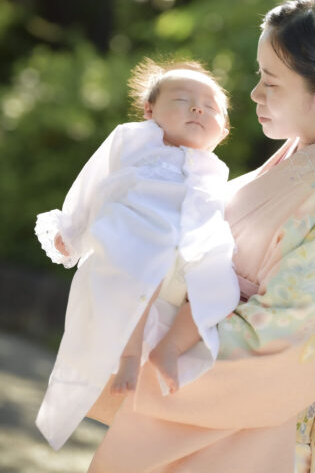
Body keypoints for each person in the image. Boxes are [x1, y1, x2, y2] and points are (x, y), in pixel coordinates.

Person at [85, 0, 315, 473]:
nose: (255, 93)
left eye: (271, 81)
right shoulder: (302, 157)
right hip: (206, 420)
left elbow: (290, 338)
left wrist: (160, 351)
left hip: (244, 433)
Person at [34, 59, 240, 451]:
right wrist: (73, 230)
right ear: (150, 111)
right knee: (146, 263)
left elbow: (213, 215)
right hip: (134, 233)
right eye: (182, 100)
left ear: (224, 129)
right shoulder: (136, 139)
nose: (198, 108)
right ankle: (129, 353)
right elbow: (93, 179)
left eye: (211, 107)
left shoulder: (216, 168)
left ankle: (169, 349)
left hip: (190, 244)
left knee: (221, 291)